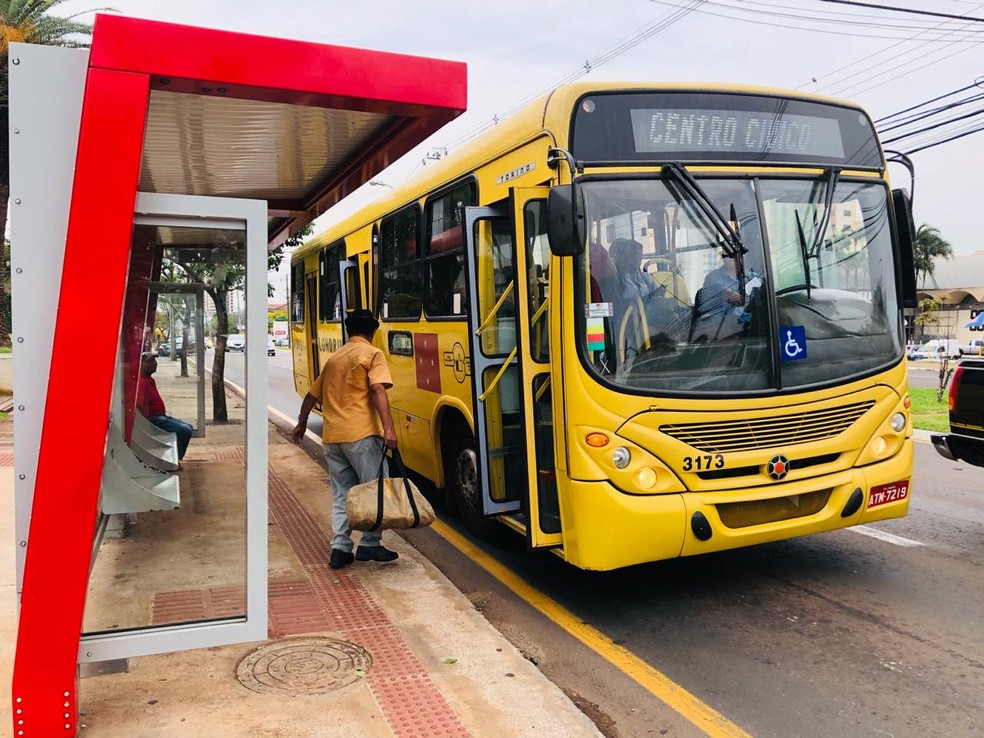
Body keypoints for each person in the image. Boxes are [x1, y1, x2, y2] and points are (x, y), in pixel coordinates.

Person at [291, 309, 400, 569]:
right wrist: (389, 429)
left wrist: (301, 424)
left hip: (333, 437)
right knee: (374, 489)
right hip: (361, 434)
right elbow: (377, 389)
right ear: (373, 331)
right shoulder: (372, 354)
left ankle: (340, 548)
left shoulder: (335, 358)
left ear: (350, 331)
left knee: (342, 493)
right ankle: (370, 543)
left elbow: (311, 396)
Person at [136, 352, 194, 469]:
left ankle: (175, 459)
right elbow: (140, 407)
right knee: (185, 430)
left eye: (155, 360)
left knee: (188, 426)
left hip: (159, 416)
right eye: (150, 361)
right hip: (153, 420)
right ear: (140, 364)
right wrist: (145, 426)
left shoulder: (149, 380)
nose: (155, 363)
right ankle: (172, 462)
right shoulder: (141, 382)